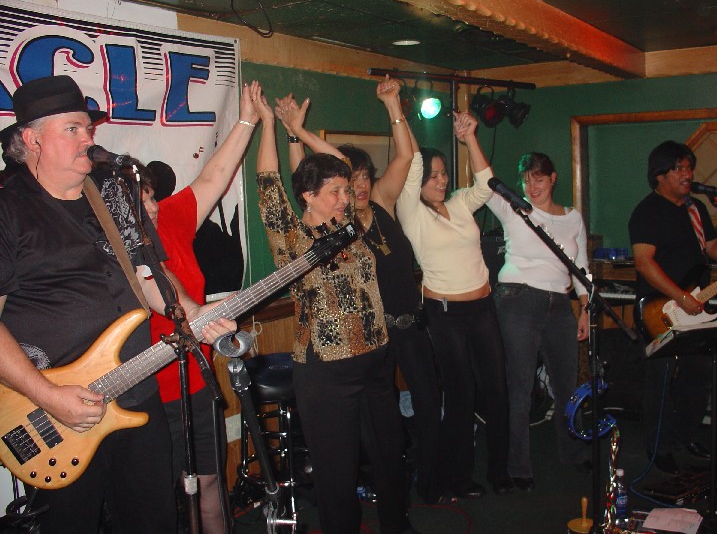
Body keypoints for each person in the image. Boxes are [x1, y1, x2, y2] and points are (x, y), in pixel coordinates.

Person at [0, 74, 236, 533]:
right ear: (32, 140)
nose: (88, 139)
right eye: (72, 129)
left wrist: (191, 311)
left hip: (135, 393)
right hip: (55, 412)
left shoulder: (110, 191)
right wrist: (47, 395)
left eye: (88, 128)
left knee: (153, 520)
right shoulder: (7, 210)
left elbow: (148, 273)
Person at [251, 85, 418, 534]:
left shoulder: (352, 224)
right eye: (336, 191)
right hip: (327, 372)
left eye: (347, 190)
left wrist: (300, 130)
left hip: (376, 361)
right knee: (337, 473)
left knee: (389, 454)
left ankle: (397, 525)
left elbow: (341, 163)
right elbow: (268, 183)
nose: (346, 197)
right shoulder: (292, 239)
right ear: (307, 195)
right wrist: (269, 123)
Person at [274, 77, 443, 504]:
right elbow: (302, 183)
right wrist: (294, 135)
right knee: (372, 429)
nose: (359, 186)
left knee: (418, 411)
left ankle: (423, 487)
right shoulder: (336, 222)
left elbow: (405, 155)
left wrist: (393, 104)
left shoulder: (382, 202)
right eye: (352, 180)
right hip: (366, 339)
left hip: (405, 326)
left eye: (363, 177)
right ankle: (369, 490)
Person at [137, 80, 260, 534]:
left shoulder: (169, 218)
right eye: (140, 201)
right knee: (156, 500)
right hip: (145, 396)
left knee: (209, 484)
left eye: (151, 196)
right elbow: (159, 290)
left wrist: (246, 119)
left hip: (196, 380)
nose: (151, 207)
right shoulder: (115, 244)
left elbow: (214, 176)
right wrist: (202, 313)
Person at [396, 112, 513, 498]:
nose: (441, 180)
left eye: (444, 173)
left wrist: (471, 137)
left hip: (482, 307)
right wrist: (398, 112)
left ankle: (500, 472)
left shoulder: (461, 203)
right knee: (461, 395)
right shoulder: (411, 212)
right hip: (445, 313)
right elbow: (412, 163)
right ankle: (458, 479)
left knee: (497, 389)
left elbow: (485, 182)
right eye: (433, 175)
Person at [483, 148, 591, 491]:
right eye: (527, 180)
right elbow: (484, 179)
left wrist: (585, 307)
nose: (532, 187)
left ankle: (573, 452)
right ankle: (518, 467)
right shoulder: (513, 209)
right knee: (520, 387)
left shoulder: (573, 217)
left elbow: (581, 266)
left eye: (539, 179)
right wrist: (470, 138)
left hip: (560, 304)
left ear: (553, 179)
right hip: (518, 299)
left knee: (567, 383)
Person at [628, 140, 715, 475]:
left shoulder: (696, 210)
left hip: (697, 305)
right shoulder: (647, 211)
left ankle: (683, 437)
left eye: (689, 167)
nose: (687, 174)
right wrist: (680, 297)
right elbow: (644, 262)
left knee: (699, 375)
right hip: (660, 310)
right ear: (660, 175)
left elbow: (711, 248)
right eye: (679, 168)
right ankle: (658, 446)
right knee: (660, 380)